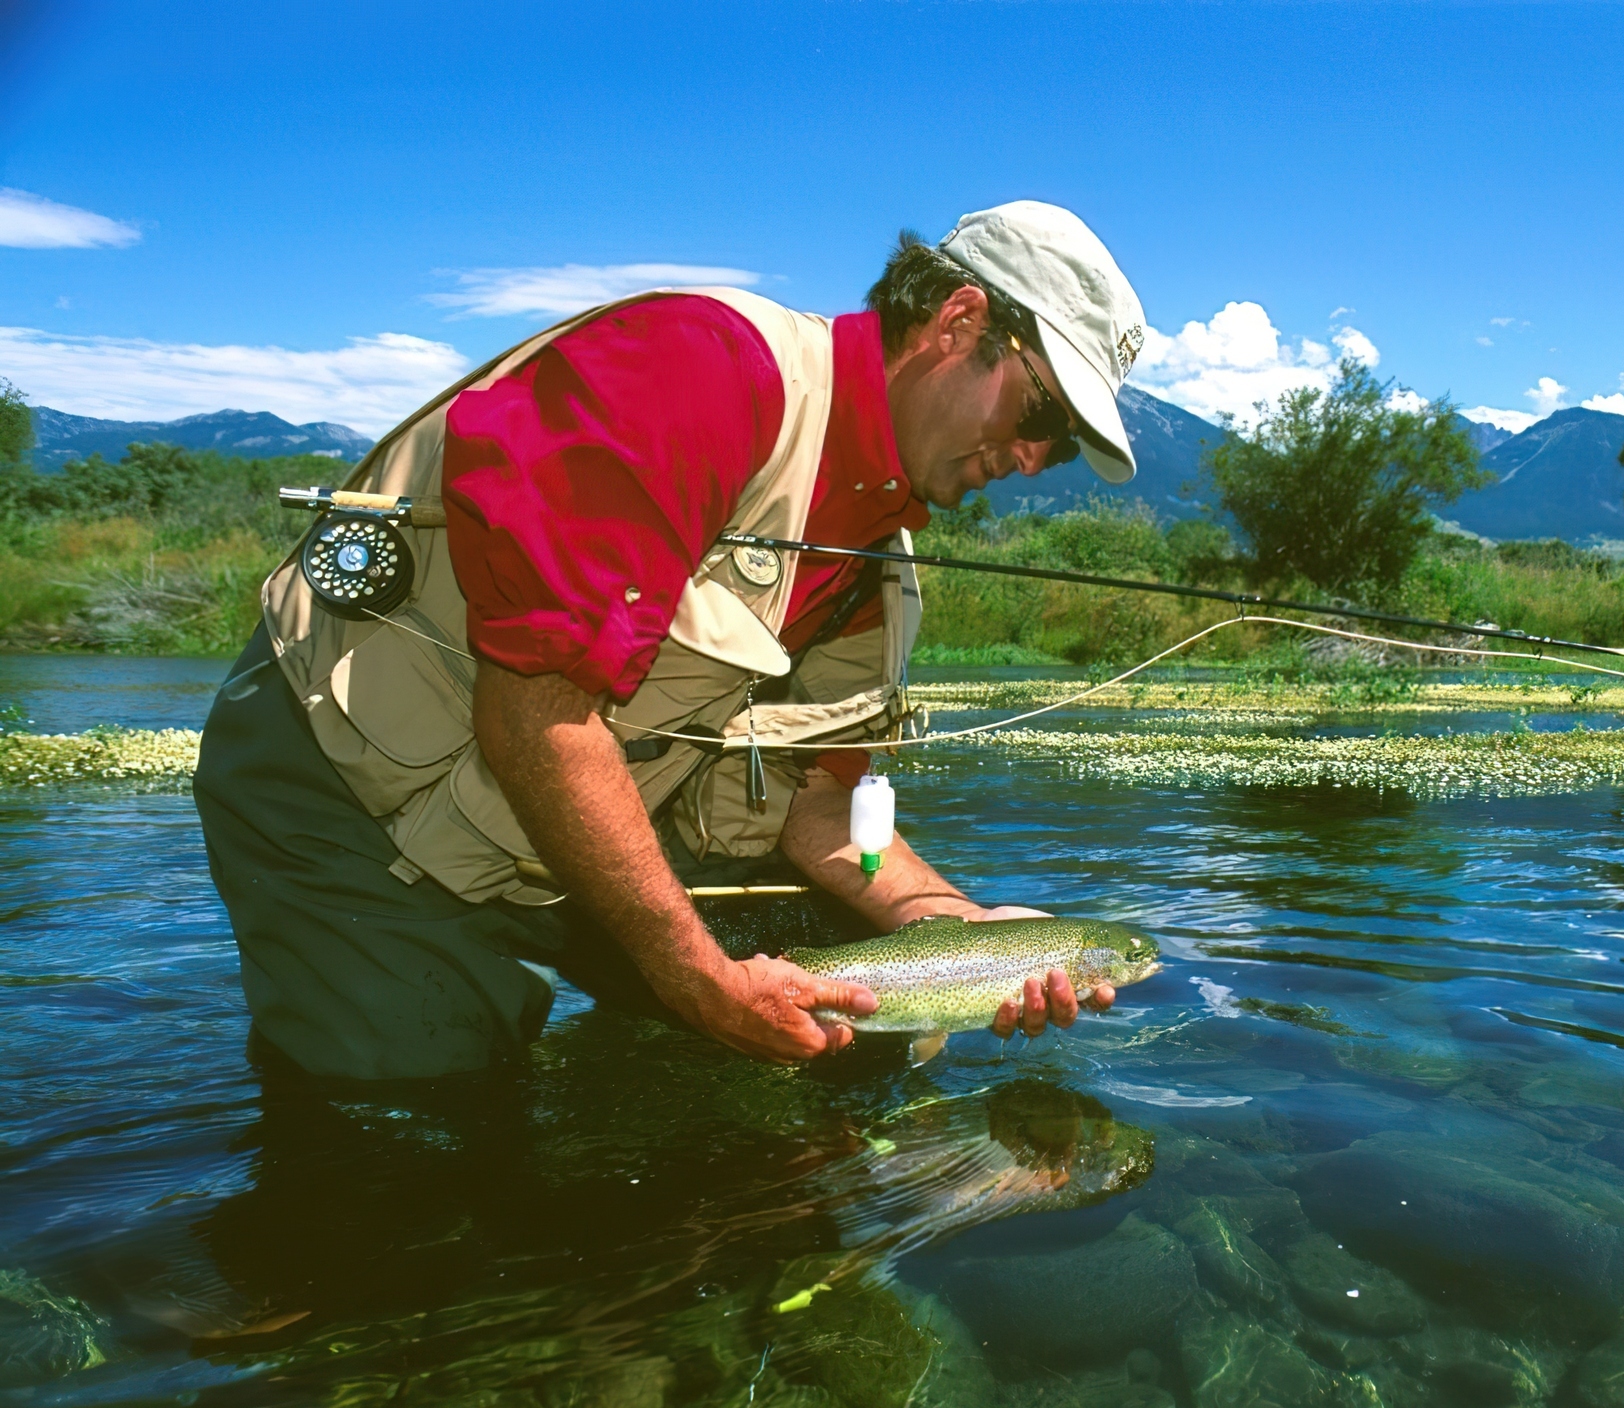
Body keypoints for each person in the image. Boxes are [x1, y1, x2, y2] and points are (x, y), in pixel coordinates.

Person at [194, 201, 1150, 1080]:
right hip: (346, 790)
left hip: (574, 832)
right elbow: (536, 707)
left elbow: (825, 808)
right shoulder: (696, 370)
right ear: (960, 323)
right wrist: (693, 975)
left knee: (856, 1030)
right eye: (1040, 417)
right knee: (421, 1130)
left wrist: (950, 926)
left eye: (1062, 447)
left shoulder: (877, 570)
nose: (1033, 461)